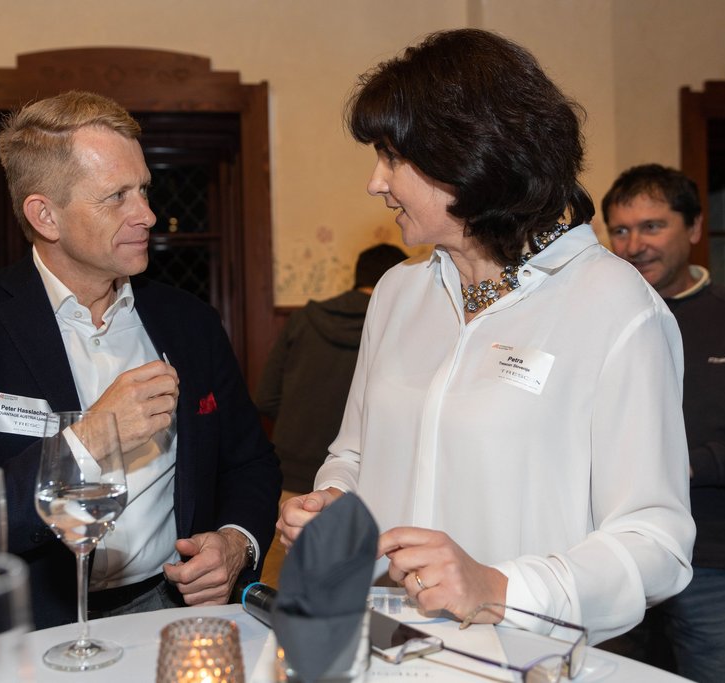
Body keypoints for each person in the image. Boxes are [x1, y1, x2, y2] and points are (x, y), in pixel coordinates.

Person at [276, 29, 695, 645]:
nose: (375, 182)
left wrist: (500, 587)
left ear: (470, 156)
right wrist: (334, 500)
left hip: (523, 656)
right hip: (383, 642)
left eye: (392, 157)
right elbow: (356, 454)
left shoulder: (614, 306)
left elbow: (657, 543)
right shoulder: (397, 292)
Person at [0, 90, 281, 630]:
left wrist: (236, 542)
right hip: (31, 628)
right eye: (116, 196)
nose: (147, 215)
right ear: (45, 215)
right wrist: (90, 439)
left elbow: (249, 463)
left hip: (174, 614)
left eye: (144, 189)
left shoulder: (191, 322)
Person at [601, 163, 725, 682]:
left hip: (719, 558)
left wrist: (690, 465)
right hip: (611, 557)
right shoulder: (595, 322)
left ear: (694, 228)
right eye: (620, 230)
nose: (634, 245)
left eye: (652, 226)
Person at [255, 243, 407, 491]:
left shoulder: (303, 319)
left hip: (291, 473)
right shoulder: (397, 328)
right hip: (361, 479)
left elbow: (265, 398)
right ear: (397, 281)